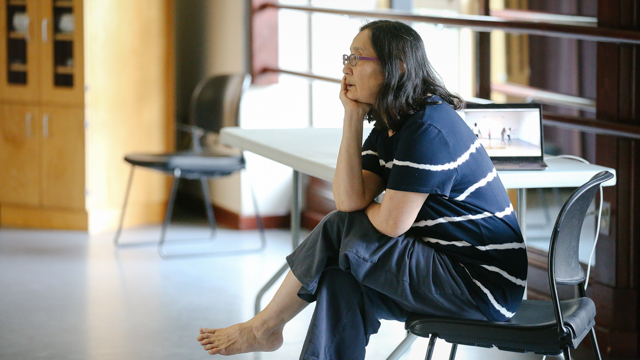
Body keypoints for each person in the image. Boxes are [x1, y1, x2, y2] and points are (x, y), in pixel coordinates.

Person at [196, 20, 527, 359]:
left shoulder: (427, 128)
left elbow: (390, 223)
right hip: (444, 271)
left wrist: (368, 211)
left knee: (342, 226)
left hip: (480, 287)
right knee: (341, 279)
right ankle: (266, 330)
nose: (346, 68)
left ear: (396, 66)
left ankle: (263, 328)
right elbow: (349, 198)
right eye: (347, 57)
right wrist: (352, 116)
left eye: (357, 58)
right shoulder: (392, 124)